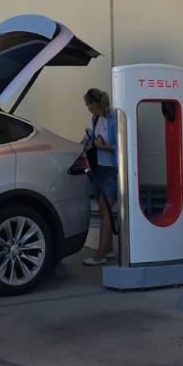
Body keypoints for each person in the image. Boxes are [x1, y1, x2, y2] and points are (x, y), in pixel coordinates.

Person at [81, 88, 118, 266]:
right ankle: (108, 249)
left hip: (112, 170)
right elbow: (95, 141)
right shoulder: (96, 119)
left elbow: (122, 146)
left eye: (88, 106)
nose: (88, 109)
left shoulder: (114, 118)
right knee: (103, 210)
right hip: (98, 169)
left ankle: (100, 254)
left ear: (95, 104)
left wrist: (101, 147)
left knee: (105, 210)